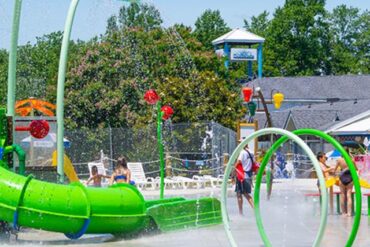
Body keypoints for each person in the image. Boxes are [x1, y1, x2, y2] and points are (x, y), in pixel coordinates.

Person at [333, 148, 358, 217]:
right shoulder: (351, 160)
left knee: (342, 195)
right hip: (350, 177)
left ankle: (343, 213)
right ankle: (349, 213)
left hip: (342, 177)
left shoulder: (339, 160)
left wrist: (338, 173)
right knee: (349, 195)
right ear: (348, 152)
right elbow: (356, 169)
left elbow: (334, 171)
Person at [234, 142, 254, 215]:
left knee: (240, 194)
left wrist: (232, 170)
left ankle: (241, 213)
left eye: (239, 143)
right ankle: (255, 210)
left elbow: (238, 162)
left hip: (241, 175)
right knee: (246, 194)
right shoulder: (251, 152)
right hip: (249, 175)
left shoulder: (242, 152)